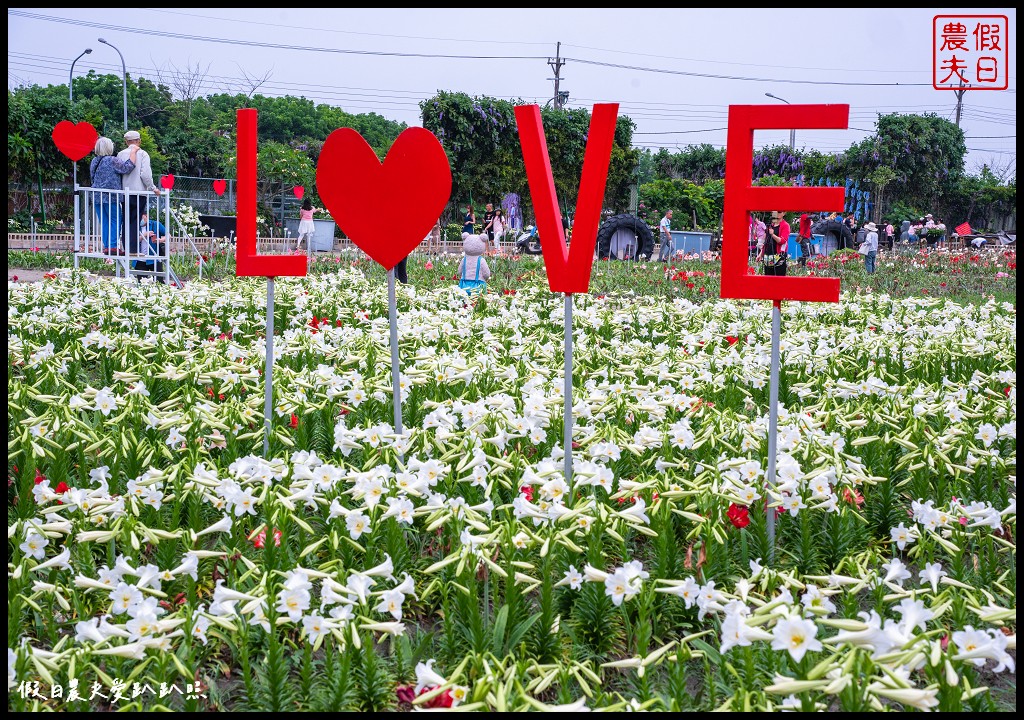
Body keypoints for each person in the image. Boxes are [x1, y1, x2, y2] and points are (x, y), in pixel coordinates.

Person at [117, 130, 161, 265]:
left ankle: (125, 247)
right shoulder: (142, 154)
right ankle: (134, 249)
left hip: (124, 193)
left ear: (126, 142)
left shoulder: (120, 154)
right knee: (136, 221)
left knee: (126, 220)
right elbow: (145, 174)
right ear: (139, 141)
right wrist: (153, 187)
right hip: (139, 192)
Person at [88, 137, 138, 254]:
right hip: (111, 196)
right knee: (115, 220)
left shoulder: (94, 161)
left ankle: (107, 246)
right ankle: (113, 246)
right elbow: (127, 167)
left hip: (97, 196)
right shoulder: (113, 160)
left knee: (104, 221)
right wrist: (133, 152)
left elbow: (92, 177)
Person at [136, 211, 169, 282]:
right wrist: (144, 235)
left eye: (142, 217)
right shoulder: (135, 226)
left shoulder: (155, 224)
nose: (141, 220)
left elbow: (168, 235)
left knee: (159, 281)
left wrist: (161, 240)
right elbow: (131, 240)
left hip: (154, 258)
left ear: (146, 216)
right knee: (141, 283)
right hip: (140, 259)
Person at [758, 211, 790, 276]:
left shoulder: (785, 225)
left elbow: (782, 241)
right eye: (775, 211)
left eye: (779, 212)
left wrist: (773, 235)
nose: (777, 213)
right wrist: (761, 254)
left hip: (778, 258)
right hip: (768, 258)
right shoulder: (771, 225)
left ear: (784, 213)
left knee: (779, 282)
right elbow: (766, 241)